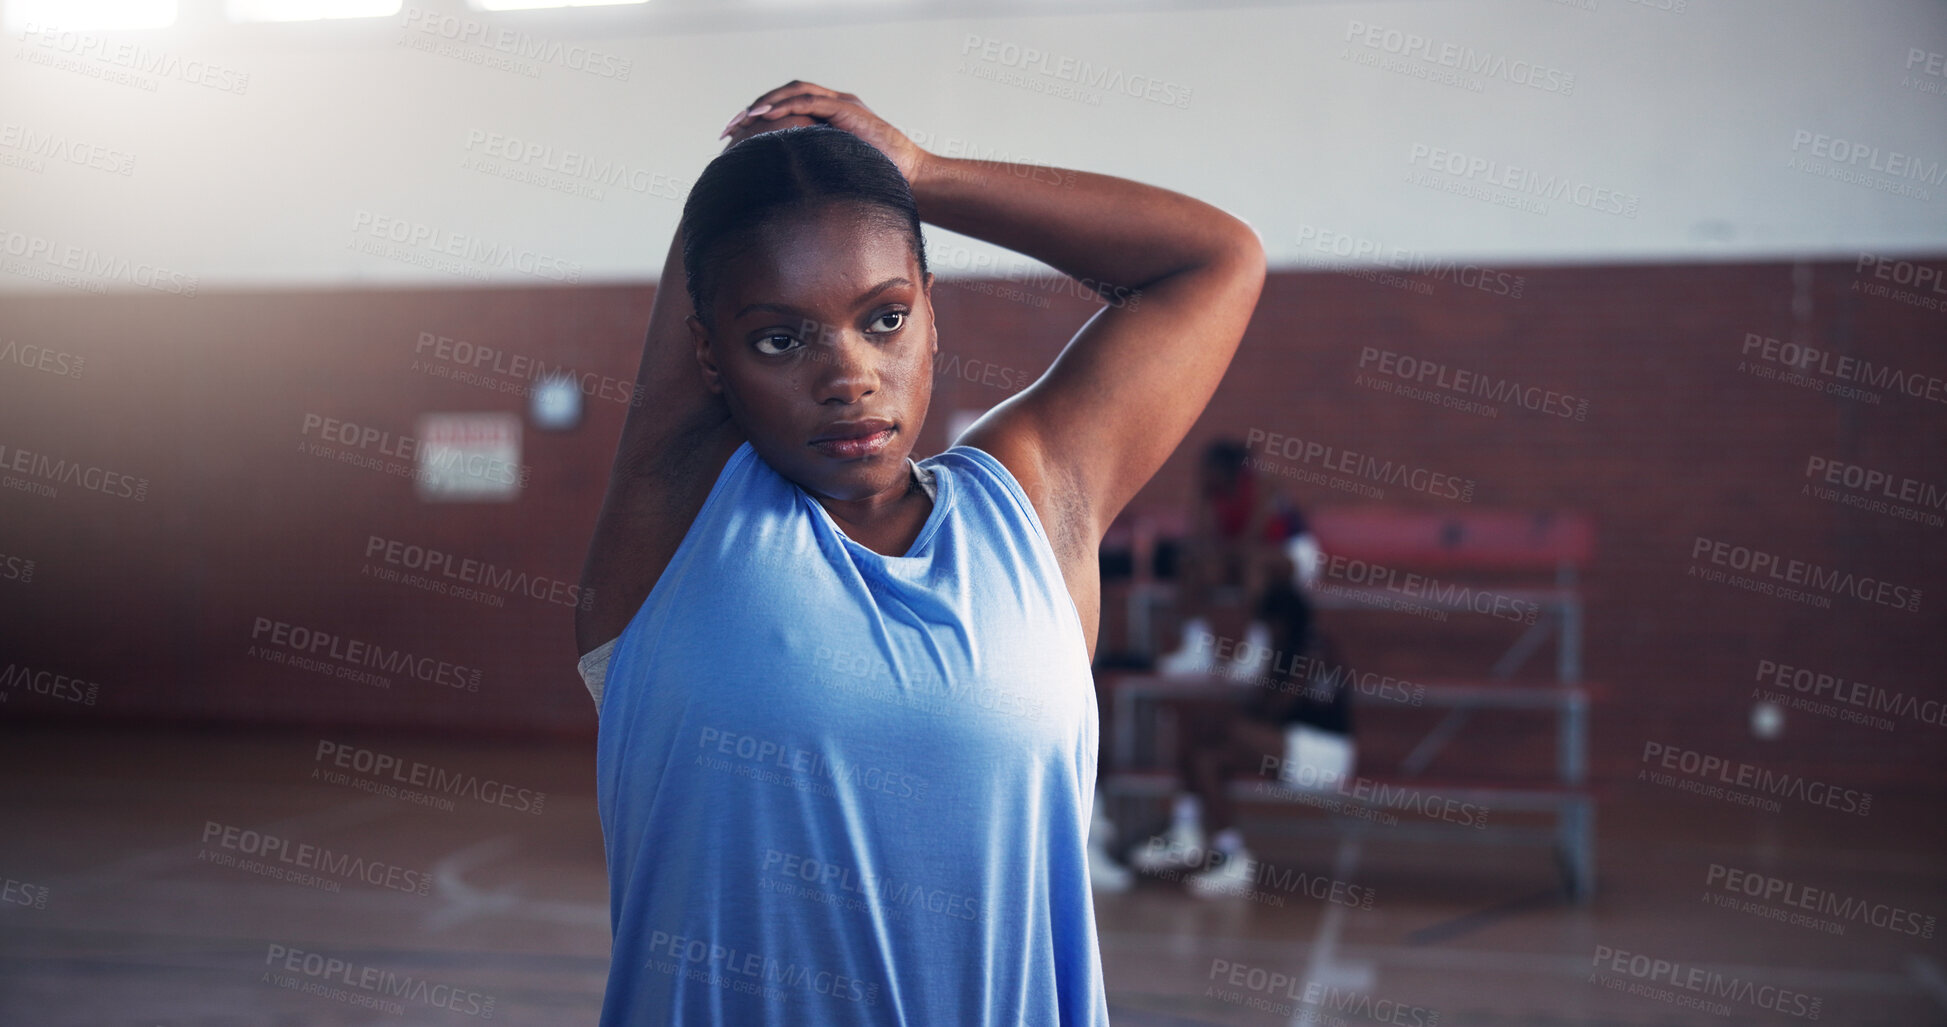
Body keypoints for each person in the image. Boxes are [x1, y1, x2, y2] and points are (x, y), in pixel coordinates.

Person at [572, 81, 1266, 1025]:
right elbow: (712, 240)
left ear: (932, 314)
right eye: (780, 339)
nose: (848, 375)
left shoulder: (1031, 502)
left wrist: (923, 176)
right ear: (710, 361)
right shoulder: (681, 529)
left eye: (885, 318)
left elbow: (1213, 260)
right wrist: (765, 162)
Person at [1127, 580, 1356, 898]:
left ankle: (1187, 830)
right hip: (1292, 748)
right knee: (1206, 760)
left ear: (1279, 622)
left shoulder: (1312, 650)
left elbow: (1274, 709)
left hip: (1324, 756)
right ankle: (1226, 852)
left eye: (1266, 625)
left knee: (1222, 728)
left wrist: (1256, 671)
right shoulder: (1292, 646)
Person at [1154, 438, 1318, 680]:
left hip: (1293, 552)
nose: (1204, 476)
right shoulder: (1212, 494)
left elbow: (1252, 539)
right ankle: (1197, 649)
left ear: (1224, 469)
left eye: (1208, 470)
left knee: (1254, 563)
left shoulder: (1262, 486)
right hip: (1242, 554)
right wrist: (1201, 500)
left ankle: (1257, 651)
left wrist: (1216, 554)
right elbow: (1198, 541)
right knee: (1192, 565)